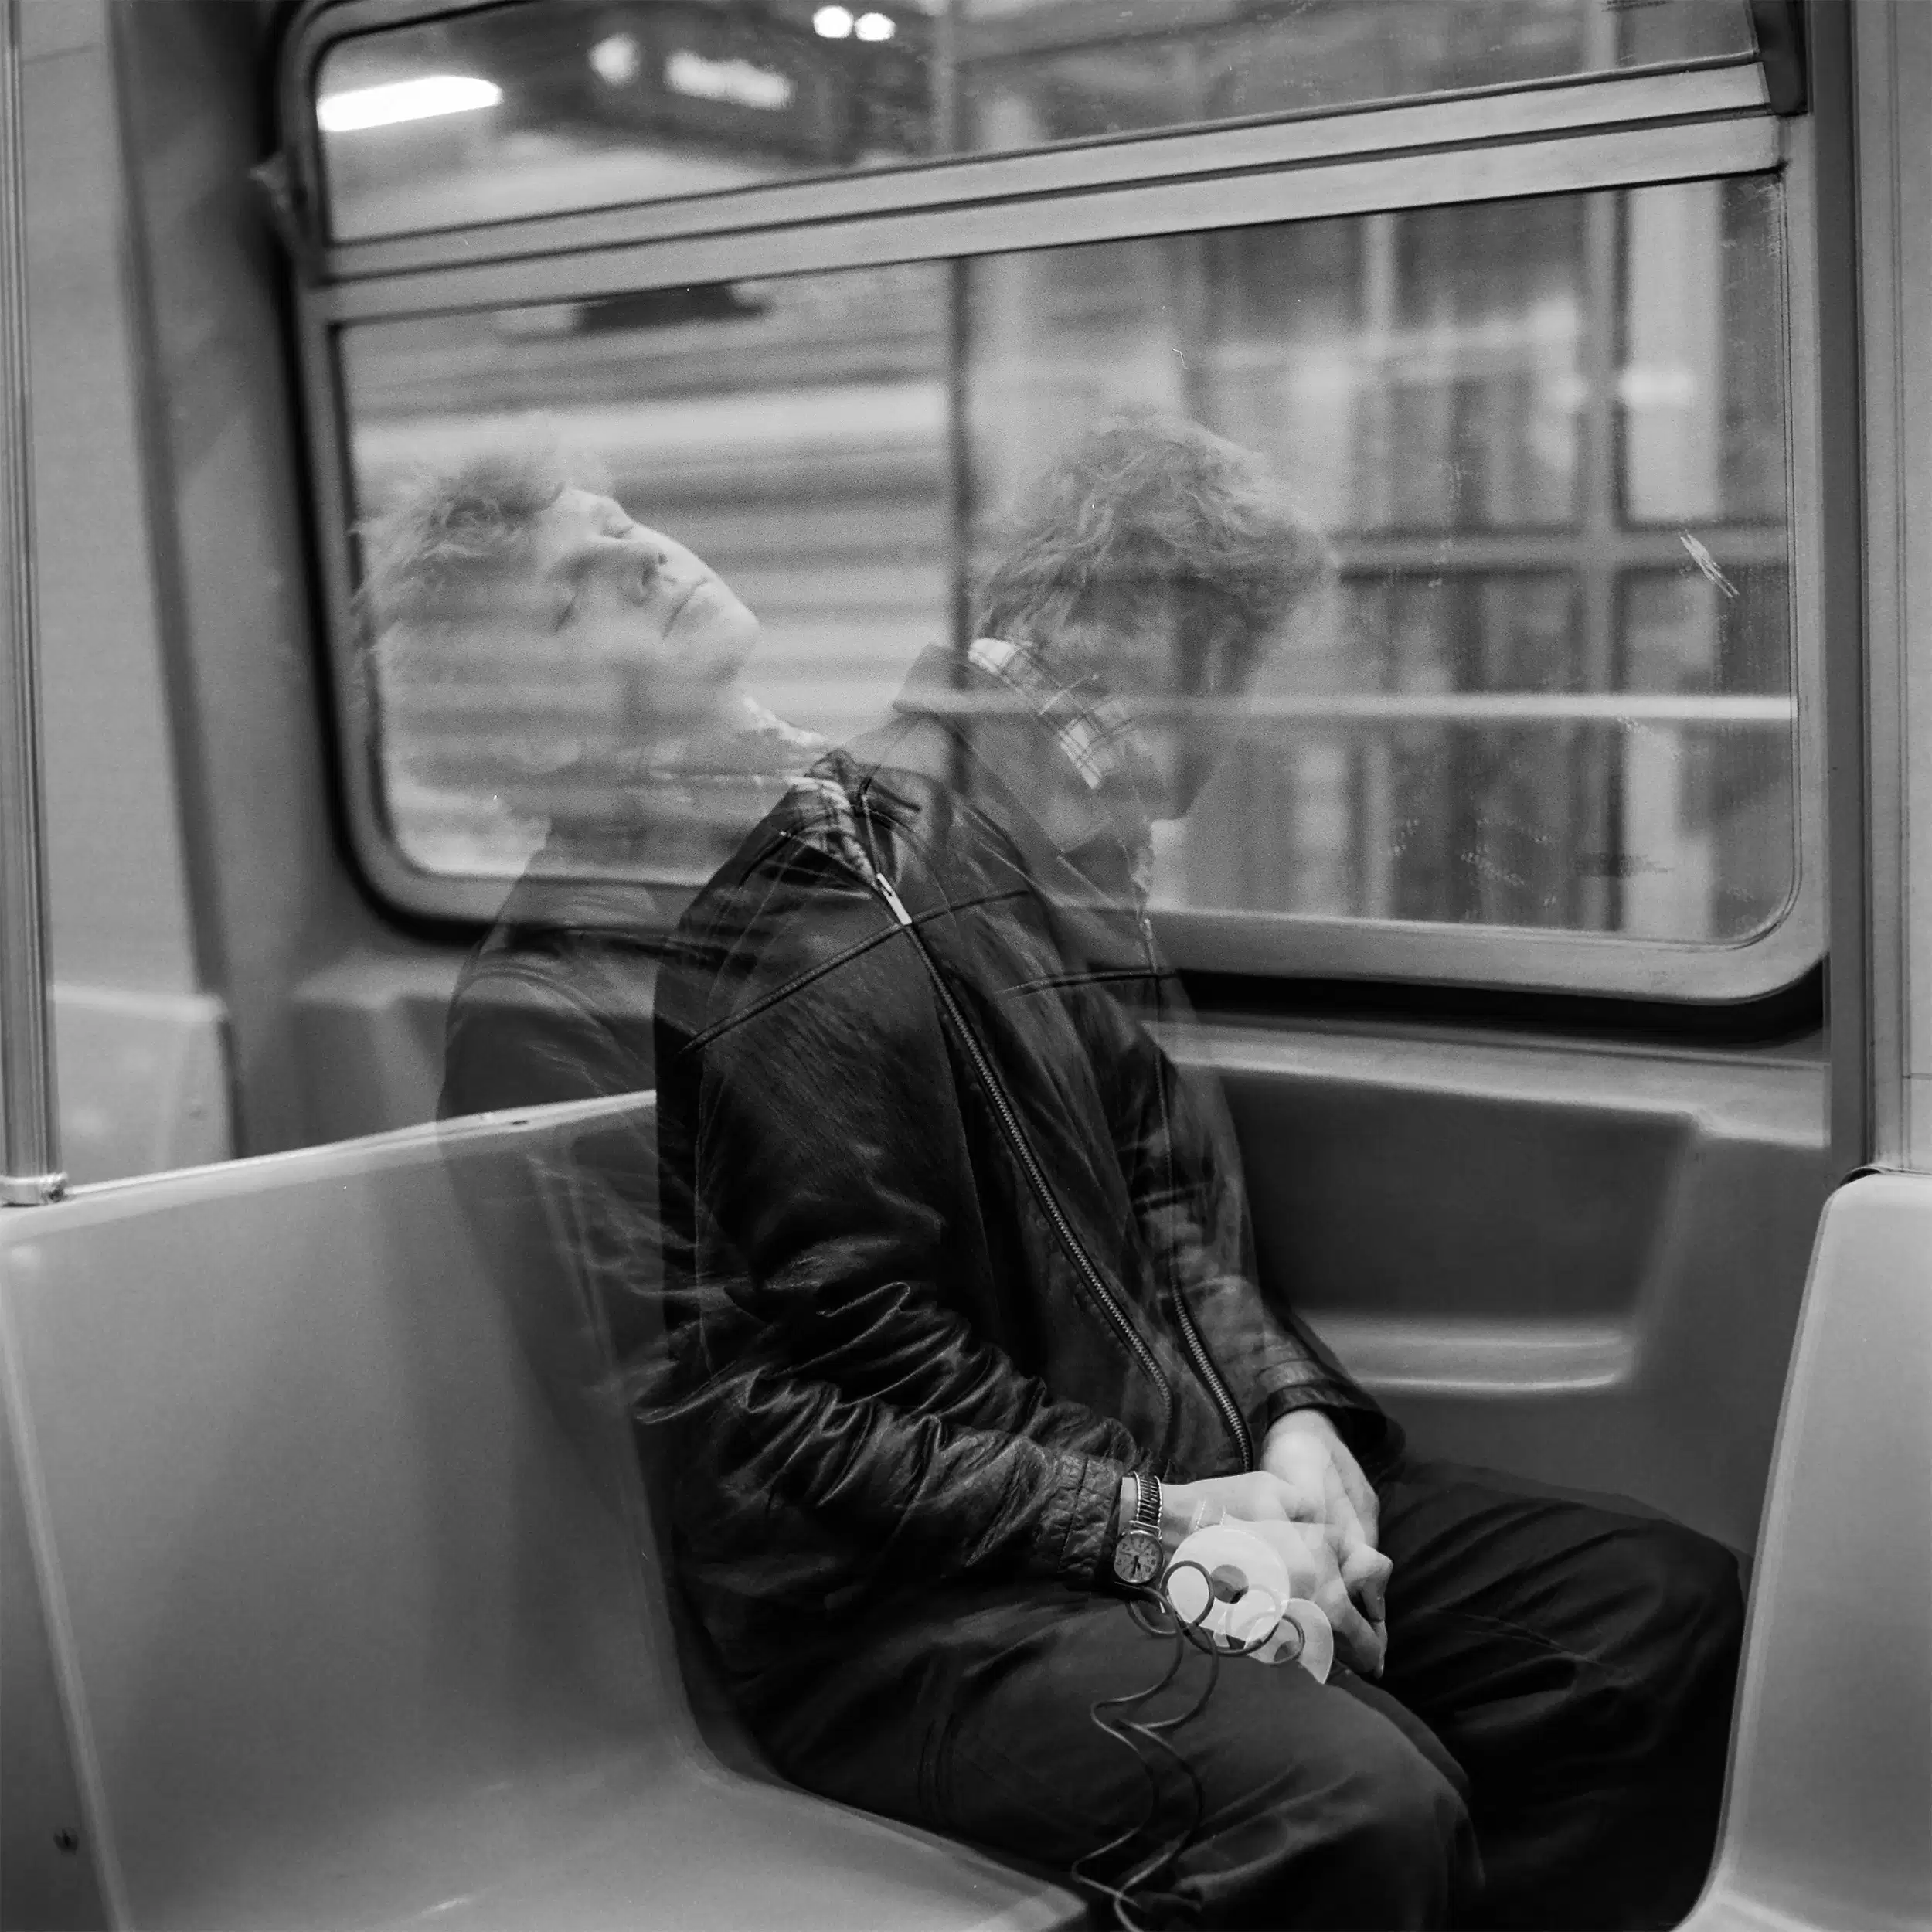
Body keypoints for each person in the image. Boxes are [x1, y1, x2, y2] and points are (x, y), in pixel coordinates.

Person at [650, 416, 1744, 1930]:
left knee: (1646, 1618)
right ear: (1116, 641)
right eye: (1225, 664)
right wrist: (1148, 1520)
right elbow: (810, 1405)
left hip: (1165, 1482)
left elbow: (1174, 1212)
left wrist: (1295, 1423)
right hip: (917, 1606)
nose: (1235, 727)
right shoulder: (832, 914)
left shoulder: (1074, 868)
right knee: (1360, 1795)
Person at [355, 437, 825, 1118]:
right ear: (535, 737)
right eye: (570, 603)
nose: (642, 557)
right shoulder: (543, 1013)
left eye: (619, 526)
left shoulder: (854, 802)